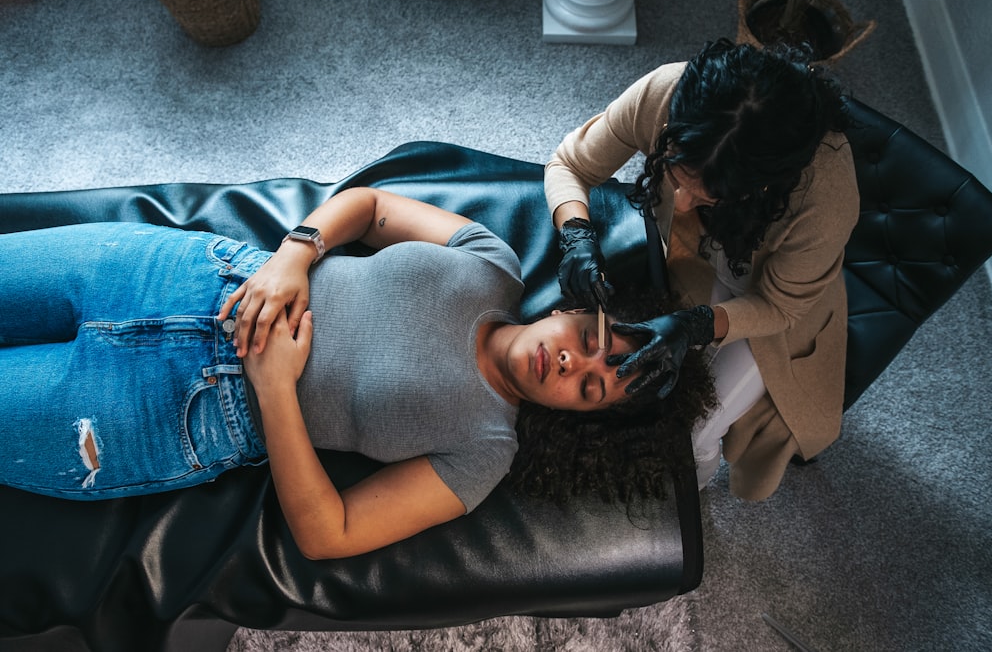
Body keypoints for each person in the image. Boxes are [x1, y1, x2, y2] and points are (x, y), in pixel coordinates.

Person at [0, 187, 713, 560]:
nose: (570, 362)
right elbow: (369, 209)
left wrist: (276, 388)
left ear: (579, 416)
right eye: (591, 340)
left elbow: (329, 532)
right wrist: (295, 253)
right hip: (180, 273)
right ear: (582, 305)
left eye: (590, 386)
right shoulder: (492, 261)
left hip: (169, 411)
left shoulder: (484, 454)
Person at [545, 38, 860, 500]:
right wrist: (576, 232)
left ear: (764, 185)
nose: (681, 202)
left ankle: (689, 501)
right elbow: (570, 163)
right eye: (676, 176)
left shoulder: (826, 193)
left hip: (774, 315)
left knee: (692, 433)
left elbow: (778, 307)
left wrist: (694, 325)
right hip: (693, 263)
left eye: (707, 195)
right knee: (646, 398)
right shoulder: (663, 92)